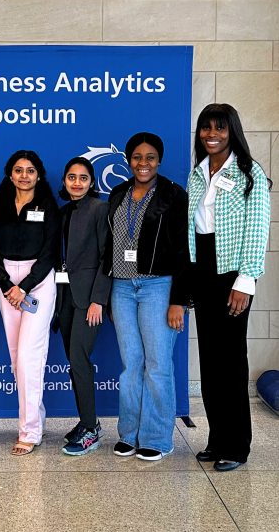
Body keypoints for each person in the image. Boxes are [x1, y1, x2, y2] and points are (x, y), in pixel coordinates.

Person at [188, 104, 271, 472]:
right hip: (203, 268)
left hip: (233, 271)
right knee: (210, 358)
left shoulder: (249, 172)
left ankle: (237, 446)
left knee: (231, 360)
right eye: (206, 128)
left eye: (219, 128)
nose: (211, 134)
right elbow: (194, 230)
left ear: (231, 131)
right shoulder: (197, 174)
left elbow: (257, 230)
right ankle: (217, 437)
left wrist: (245, 280)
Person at [102, 132, 190, 461]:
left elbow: (184, 251)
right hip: (122, 287)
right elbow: (109, 247)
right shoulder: (118, 193)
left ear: (159, 160)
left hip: (158, 286)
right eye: (137, 157)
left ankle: (156, 438)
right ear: (128, 160)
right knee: (132, 366)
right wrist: (109, 292)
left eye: (150, 157)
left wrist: (178, 301)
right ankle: (129, 434)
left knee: (157, 365)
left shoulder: (173, 195)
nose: (143, 163)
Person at [0, 150, 60, 456]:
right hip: (8, 285)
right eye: (18, 170)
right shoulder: (0, 206)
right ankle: (37, 419)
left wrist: (25, 287)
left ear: (39, 176)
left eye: (30, 171)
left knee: (28, 356)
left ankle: (28, 431)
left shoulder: (47, 206)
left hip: (38, 283)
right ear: (10, 175)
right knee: (18, 357)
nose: (24, 175)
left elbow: (50, 252)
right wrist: (8, 286)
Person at [55, 157, 112, 456]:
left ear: (92, 182)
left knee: (79, 358)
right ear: (64, 181)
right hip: (64, 297)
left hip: (89, 299)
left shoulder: (99, 209)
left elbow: (107, 257)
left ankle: (91, 427)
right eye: (71, 177)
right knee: (73, 360)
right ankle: (85, 421)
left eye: (83, 178)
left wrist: (98, 300)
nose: (77, 183)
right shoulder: (63, 211)